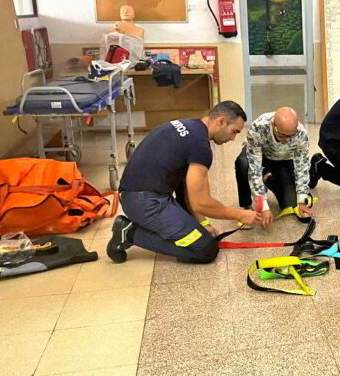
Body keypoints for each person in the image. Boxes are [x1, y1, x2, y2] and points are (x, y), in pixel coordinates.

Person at [107, 101, 261, 264]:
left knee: (197, 231)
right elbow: (200, 203)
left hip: (136, 194)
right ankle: (129, 232)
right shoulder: (200, 146)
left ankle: (148, 226)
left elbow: (188, 188)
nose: (232, 139)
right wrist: (240, 214)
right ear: (221, 121)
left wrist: (203, 223)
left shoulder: (190, 127)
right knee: (206, 249)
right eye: (233, 132)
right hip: (146, 202)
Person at [234, 107, 314, 228]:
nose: (287, 140)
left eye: (291, 136)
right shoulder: (258, 127)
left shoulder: (301, 133)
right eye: (282, 135)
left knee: (290, 204)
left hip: (283, 159)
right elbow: (254, 169)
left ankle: (267, 177)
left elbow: (301, 167)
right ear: (273, 125)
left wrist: (301, 200)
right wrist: (263, 206)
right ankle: (247, 206)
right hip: (261, 156)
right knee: (242, 163)